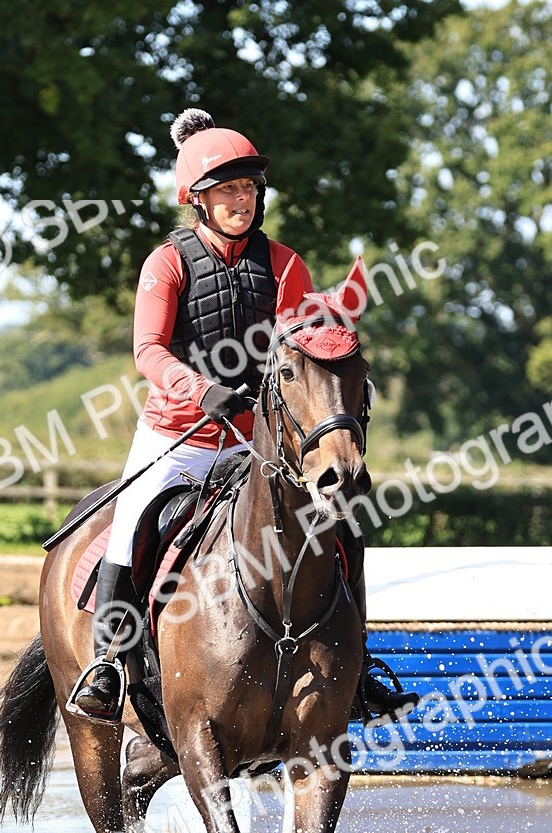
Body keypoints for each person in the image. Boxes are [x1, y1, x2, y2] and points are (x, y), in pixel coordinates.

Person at [74, 108, 413, 724]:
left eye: (250, 189)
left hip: (259, 444)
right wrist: (199, 390)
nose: (242, 200)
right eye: (228, 190)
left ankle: (359, 667)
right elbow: (148, 350)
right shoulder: (166, 263)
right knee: (129, 528)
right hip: (176, 437)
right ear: (198, 199)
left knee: (343, 528)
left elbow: (304, 347)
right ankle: (108, 665)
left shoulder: (285, 265)